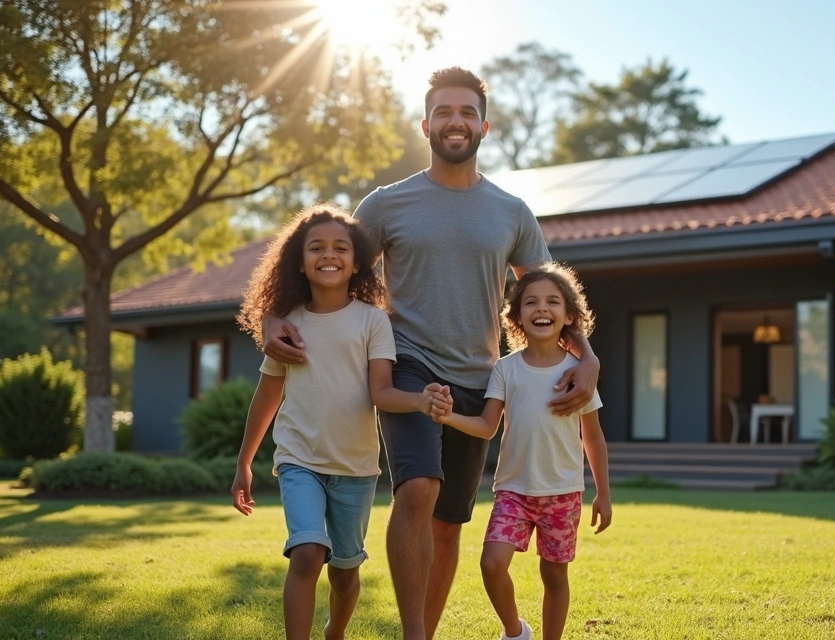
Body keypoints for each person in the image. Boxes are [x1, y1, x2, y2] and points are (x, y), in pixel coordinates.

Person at [261, 67, 601, 640]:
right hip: (407, 363)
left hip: (478, 375)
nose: (456, 121)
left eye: (467, 112)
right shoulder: (388, 204)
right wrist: (272, 313)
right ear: (425, 124)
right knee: (418, 488)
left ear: (484, 125)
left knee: (448, 525)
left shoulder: (511, 211)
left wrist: (585, 355)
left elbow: (548, 294)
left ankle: (428, 633)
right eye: (444, 111)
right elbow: (325, 257)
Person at [231, 204, 444, 640]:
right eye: (317, 248)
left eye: (340, 248)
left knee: (345, 574)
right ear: (300, 261)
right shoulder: (285, 325)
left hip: (355, 468)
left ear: (356, 262)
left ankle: (335, 631)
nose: (328, 255)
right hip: (299, 459)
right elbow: (269, 393)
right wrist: (244, 462)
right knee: (307, 553)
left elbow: (380, 392)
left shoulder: (372, 321)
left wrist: (420, 400)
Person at [430, 262, 611, 640]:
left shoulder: (580, 374)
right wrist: (448, 418)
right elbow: (486, 426)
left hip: (563, 492)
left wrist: (603, 494)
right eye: (530, 302)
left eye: (552, 302)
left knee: (554, 574)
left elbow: (592, 437)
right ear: (516, 316)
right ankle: (515, 631)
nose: (541, 309)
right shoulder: (505, 370)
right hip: (514, 491)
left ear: (568, 316)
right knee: (492, 564)